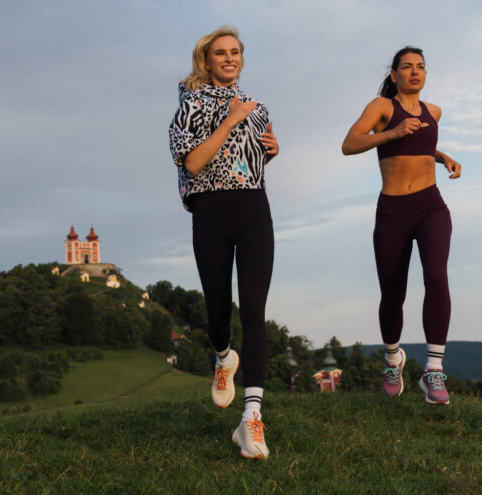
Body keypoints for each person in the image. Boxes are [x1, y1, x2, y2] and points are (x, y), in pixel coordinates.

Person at [168, 26, 279, 458]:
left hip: (254, 210)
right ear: (206, 61)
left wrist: (270, 147)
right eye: (221, 54)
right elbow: (194, 162)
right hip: (210, 214)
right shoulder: (190, 106)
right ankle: (222, 358)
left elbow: (252, 158)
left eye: (235, 52)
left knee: (254, 310)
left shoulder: (258, 106)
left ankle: (251, 418)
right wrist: (230, 119)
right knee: (218, 310)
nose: (230, 59)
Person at [341, 46, 462, 405]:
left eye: (421, 67)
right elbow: (349, 144)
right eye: (407, 67)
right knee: (393, 294)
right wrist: (392, 133)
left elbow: (420, 146)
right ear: (393, 74)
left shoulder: (434, 112)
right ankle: (394, 358)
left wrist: (442, 156)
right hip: (393, 209)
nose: (415, 72)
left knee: (437, 277)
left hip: (430, 205)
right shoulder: (382, 107)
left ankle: (434, 370)